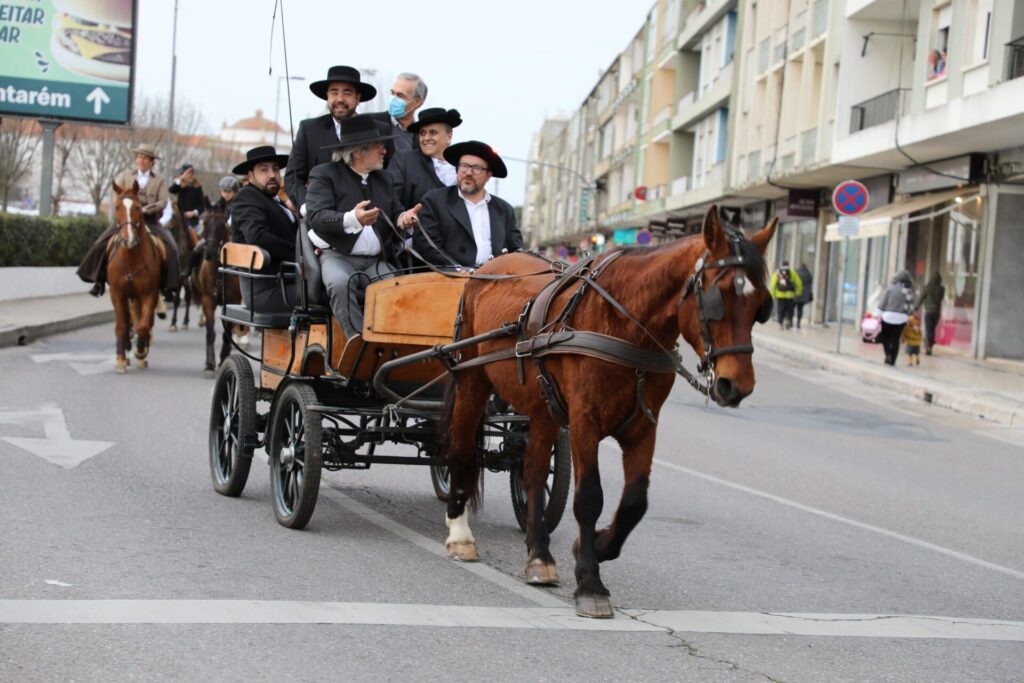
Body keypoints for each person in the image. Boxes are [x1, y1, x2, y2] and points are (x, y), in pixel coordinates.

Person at [305, 115, 422, 339]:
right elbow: (317, 216)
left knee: (398, 287)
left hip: (376, 261)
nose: (384, 151)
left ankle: (389, 342)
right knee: (340, 284)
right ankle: (357, 343)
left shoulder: (384, 179)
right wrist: (353, 219)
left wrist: (404, 219)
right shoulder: (324, 174)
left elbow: (396, 212)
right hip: (337, 257)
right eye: (379, 146)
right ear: (359, 151)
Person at [77, 143, 180, 300]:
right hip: (126, 219)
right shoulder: (125, 176)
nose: (141, 160)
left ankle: (169, 287)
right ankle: (99, 280)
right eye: (139, 157)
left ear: (152, 162)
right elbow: (116, 195)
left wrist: (145, 209)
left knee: (172, 247)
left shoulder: (159, 180)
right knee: (101, 243)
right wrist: (126, 208)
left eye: (145, 158)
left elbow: (163, 202)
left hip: (149, 220)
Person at [285, 65, 394, 209]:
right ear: (327, 96)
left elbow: (389, 176)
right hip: (321, 216)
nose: (340, 99)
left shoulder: (380, 130)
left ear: (358, 98)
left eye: (347, 93)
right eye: (334, 92)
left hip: (369, 214)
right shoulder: (309, 130)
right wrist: (308, 207)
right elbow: (293, 178)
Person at [414, 141, 524, 269]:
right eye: (464, 166)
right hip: (447, 276)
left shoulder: (504, 210)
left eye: (477, 168)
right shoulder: (435, 200)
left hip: (493, 277)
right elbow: (426, 245)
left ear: (488, 175)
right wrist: (456, 270)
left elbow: (517, 250)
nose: (468, 172)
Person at [229, 146, 298, 311]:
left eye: (276, 169)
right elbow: (258, 236)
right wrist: (299, 256)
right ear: (250, 176)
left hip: (288, 280)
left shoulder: (274, 200)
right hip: (266, 288)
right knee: (330, 294)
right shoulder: (247, 196)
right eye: (264, 170)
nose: (272, 175)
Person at [389, 107, 462, 211]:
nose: (426, 138)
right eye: (422, 133)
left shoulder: (462, 167)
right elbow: (390, 198)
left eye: (433, 133)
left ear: (449, 136)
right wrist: (403, 217)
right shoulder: (405, 161)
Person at [876, 269, 915, 366]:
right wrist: (908, 315)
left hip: (888, 317)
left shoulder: (890, 289)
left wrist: (877, 314)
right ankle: (893, 359)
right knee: (895, 339)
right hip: (902, 318)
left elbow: (882, 303)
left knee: (885, 337)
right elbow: (910, 307)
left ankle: (888, 354)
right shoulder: (908, 291)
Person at [382, 72, 428, 154]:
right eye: (392, 93)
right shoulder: (372, 123)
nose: (393, 99)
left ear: (417, 102)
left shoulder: (423, 137)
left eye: (400, 95)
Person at [169, 163, 206, 234]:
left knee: (200, 235)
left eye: (189, 173)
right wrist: (181, 179)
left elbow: (201, 206)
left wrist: (193, 213)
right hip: (178, 219)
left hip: (192, 222)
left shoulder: (197, 187)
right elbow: (172, 190)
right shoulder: (178, 185)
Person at [769, 260, 803, 330]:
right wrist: (798, 292)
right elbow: (799, 283)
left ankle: (780, 323)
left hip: (780, 295)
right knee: (789, 309)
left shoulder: (778, 273)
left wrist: (773, 294)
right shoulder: (792, 272)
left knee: (780, 309)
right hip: (790, 295)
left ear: (781, 265)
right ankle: (788, 320)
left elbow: (773, 284)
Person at [916, 272, 945, 355]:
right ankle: (930, 345)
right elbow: (941, 298)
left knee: (928, 329)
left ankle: (928, 346)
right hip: (937, 312)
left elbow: (921, 298)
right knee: (932, 329)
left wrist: (917, 306)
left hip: (928, 311)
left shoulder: (926, 288)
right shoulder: (942, 289)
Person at [794, 262, 813, 329]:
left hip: (796, 294)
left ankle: (789, 320)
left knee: (791, 308)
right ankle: (798, 323)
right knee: (800, 309)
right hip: (804, 295)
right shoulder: (808, 274)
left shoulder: (796, 272)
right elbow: (810, 283)